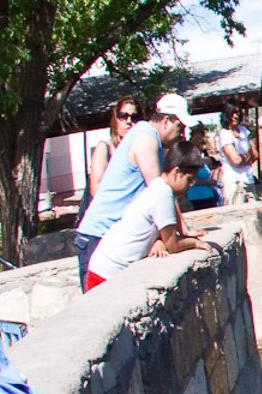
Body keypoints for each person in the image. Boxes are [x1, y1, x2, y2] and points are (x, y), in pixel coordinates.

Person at [74, 92, 190, 280]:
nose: (181, 134)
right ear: (166, 121)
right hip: (99, 236)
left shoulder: (147, 137)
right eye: (180, 126)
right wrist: (181, 231)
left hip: (109, 236)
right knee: (100, 305)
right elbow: (159, 191)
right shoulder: (146, 139)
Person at [82, 142, 212, 291]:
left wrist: (158, 241)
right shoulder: (163, 194)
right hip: (107, 272)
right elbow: (173, 245)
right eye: (189, 180)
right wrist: (194, 243)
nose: (191, 185)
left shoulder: (157, 186)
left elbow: (159, 232)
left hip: (103, 265)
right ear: (176, 173)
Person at [83, 96, 141, 220]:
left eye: (134, 117)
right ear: (115, 120)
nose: (129, 121)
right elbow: (96, 188)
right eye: (123, 116)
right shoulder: (104, 148)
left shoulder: (141, 151)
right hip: (104, 219)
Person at [216, 104, 258, 204]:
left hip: (248, 180)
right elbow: (235, 160)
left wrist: (243, 157)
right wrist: (248, 156)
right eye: (232, 113)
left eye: (238, 112)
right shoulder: (224, 134)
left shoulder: (244, 131)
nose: (235, 116)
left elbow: (255, 154)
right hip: (233, 182)